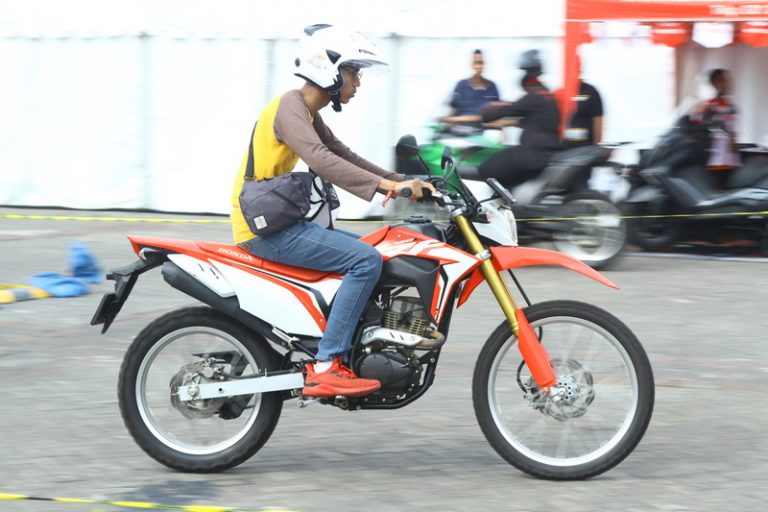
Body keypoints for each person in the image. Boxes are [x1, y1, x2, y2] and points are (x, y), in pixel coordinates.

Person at [229, 24, 434, 398]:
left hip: (281, 222)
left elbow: (343, 155)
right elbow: (320, 159)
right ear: (329, 69)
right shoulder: (290, 107)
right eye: (353, 72)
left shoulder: (306, 112)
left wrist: (402, 180)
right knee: (365, 261)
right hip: (265, 230)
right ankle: (327, 365)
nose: (357, 82)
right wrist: (386, 187)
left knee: (379, 250)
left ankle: (357, 341)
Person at [474, 49, 561, 189]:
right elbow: (527, 117)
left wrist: (484, 116)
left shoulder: (534, 96)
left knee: (486, 169)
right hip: (541, 151)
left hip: (533, 154)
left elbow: (508, 110)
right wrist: (506, 121)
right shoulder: (545, 94)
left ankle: (508, 200)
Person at [691, 68, 740, 189]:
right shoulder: (708, 106)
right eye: (722, 81)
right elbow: (697, 126)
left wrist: (734, 140)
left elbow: (732, 130)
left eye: (727, 80)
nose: (727, 84)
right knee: (716, 188)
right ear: (713, 84)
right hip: (714, 158)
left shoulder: (731, 106)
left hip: (730, 159)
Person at [441, 49, 501, 126]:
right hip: (463, 126)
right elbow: (453, 109)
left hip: (486, 127)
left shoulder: (492, 86)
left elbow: (497, 113)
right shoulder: (461, 85)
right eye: (476, 63)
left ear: (484, 65)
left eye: (481, 63)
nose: (478, 66)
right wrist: (448, 120)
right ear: (471, 65)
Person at [561, 56, 604, 149]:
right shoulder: (561, 92)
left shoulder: (590, 92)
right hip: (564, 148)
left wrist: (596, 147)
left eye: (575, 68)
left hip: (585, 148)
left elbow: (598, 120)